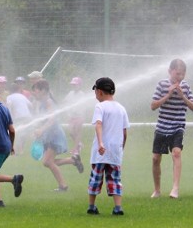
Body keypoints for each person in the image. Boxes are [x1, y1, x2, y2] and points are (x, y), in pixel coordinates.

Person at [150, 58, 193, 199]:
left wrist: (182, 96)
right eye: (178, 74)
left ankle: (175, 189)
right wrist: (168, 94)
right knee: (155, 158)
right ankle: (157, 190)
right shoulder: (161, 85)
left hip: (178, 126)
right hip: (162, 126)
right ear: (170, 71)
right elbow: (153, 106)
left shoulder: (186, 87)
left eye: (183, 74)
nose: (180, 77)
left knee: (176, 153)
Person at [31, 79, 84, 192]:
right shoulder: (43, 103)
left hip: (54, 135)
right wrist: (38, 131)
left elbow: (52, 120)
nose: (33, 93)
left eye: (35, 90)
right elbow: (43, 120)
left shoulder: (49, 102)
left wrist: (41, 129)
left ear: (43, 91)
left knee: (48, 162)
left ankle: (63, 186)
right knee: (47, 162)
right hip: (49, 135)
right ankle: (73, 161)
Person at [87, 77, 129, 216]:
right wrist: (121, 149)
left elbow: (98, 124)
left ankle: (91, 206)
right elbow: (124, 132)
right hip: (115, 151)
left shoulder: (100, 106)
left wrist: (100, 143)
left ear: (99, 92)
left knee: (95, 178)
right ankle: (118, 207)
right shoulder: (121, 108)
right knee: (115, 179)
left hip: (100, 152)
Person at [63, 76, 87, 155]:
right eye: (73, 85)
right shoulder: (70, 93)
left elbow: (83, 106)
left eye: (75, 85)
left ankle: (76, 149)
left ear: (80, 85)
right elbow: (65, 101)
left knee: (77, 130)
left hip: (79, 116)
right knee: (71, 132)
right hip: (71, 116)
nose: (74, 86)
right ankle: (79, 143)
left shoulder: (82, 94)